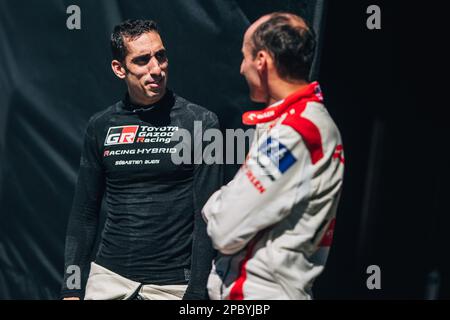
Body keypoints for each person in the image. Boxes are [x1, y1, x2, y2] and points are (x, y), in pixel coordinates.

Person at [61, 19, 221, 300]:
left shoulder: (202, 122)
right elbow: (84, 213)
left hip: (173, 286)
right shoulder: (101, 125)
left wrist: (197, 293)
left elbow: (207, 216)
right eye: (142, 60)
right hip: (108, 280)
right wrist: (72, 288)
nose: (156, 69)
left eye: (161, 56)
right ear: (119, 69)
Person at [202, 12, 344, 300]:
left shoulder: (297, 132)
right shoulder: (293, 122)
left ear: (262, 61)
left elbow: (224, 229)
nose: (241, 68)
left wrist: (215, 203)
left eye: (245, 56)